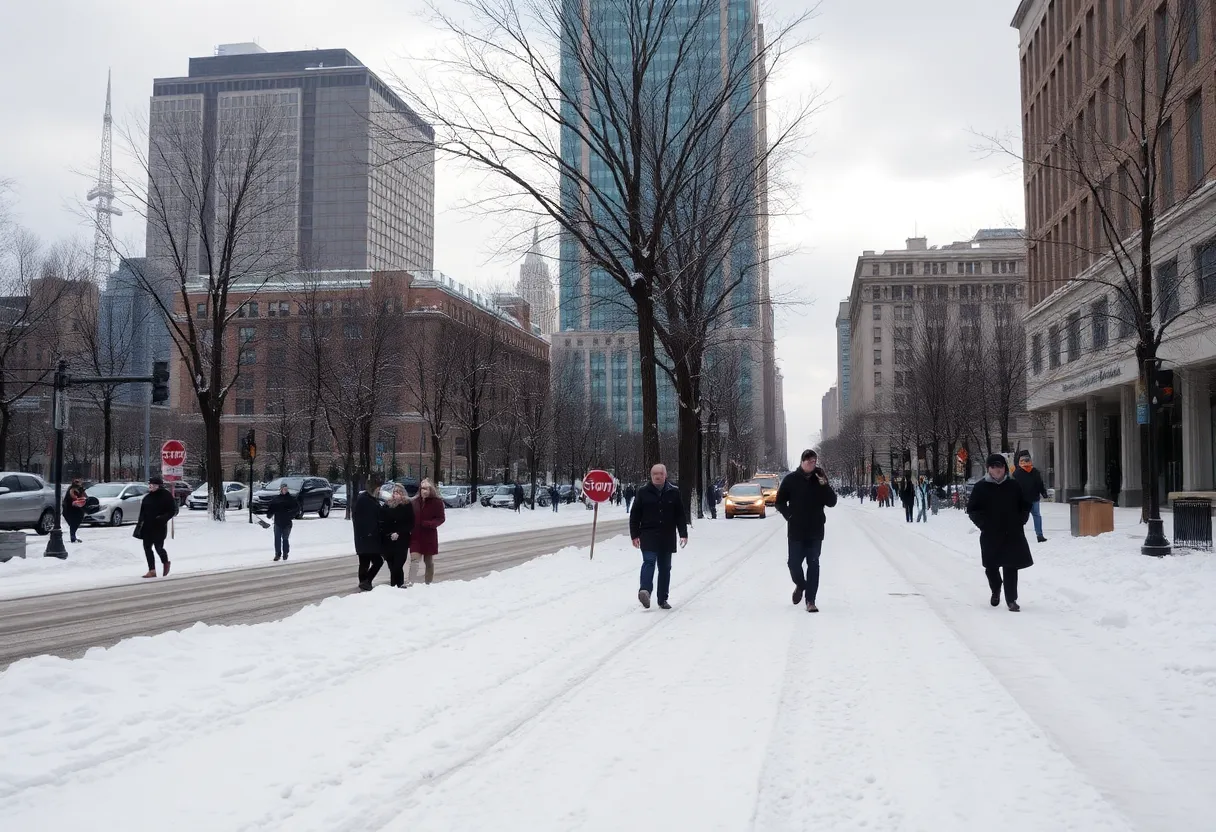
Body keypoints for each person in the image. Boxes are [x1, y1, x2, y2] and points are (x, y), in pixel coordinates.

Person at [967, 454, 1033, 612]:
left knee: (1011, 566)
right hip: (990, 533)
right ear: (988, 469)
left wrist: (1021, 519)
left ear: (1005, 468)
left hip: (1012, 532)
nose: (997, 470)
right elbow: (972, 510)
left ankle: (1011, 600)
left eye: (1000, 466)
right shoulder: (980, 487)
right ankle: (995, 589)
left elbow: (1025, 504)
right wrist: (983, 524)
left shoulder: (1013, 485)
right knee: (991, 566)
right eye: (994, 467)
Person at [775, 449, 838, 613]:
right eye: (809, 461)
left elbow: (832, 502)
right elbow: (779, 502)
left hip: (815, 530)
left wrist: (825, 484)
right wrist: (789, 515)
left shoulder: (820, 480)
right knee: (793, 563)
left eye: (814, 461)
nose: (812, 464)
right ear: (802, 462)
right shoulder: (791, 480)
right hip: (796, 530)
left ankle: (811, 600)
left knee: (813, 564)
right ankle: (801, 585)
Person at [629, 464, 688, 610]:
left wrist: (683, 533)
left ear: (665, 475)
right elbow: (635, 515)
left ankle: (662, 598)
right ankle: (645, 591)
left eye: (660, 473)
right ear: (651, 476)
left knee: (665, 567)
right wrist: (634, 535)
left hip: (667, 536)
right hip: (648, 534)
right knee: (649, 561)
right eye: (654, 474)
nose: (657, 476)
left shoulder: (673, 493)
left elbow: (680, 515)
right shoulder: (643, 492)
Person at [136, 475, 178, 579]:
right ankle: (152, 570)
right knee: (147, 548)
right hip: (147, 527)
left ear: (159, 486)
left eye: (153, 485)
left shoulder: (166, 496)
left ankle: (165, 562)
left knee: (158, 547)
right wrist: (139, 525)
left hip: (159, 527)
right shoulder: (147, 497)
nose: (151, 486)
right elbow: (142, 513)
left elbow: (172, 511)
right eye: (150, 484)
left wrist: (163, 518)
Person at [410, 478, 446, 585]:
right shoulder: (415, 502)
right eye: (422, 489)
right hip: (416, 536)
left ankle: (428, 583)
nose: (424, 491)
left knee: (428, 562)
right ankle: (410, 583)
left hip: (429, 536)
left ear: (431, 490)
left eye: (426, 489)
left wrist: (430, 524)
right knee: (414, 560)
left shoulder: (437, 502)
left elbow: (441, 518)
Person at [353, 475, 386, 591]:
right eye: (378, 488)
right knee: (377, 561)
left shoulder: (365, 499)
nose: (379, 490)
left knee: (364, 562)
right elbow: (369, 519)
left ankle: (364, 582)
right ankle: (366, 581)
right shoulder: (366, 500)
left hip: (363, 537)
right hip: (368, 538)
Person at [382, 483, 415, 588]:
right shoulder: (387, 504)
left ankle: (399, 585)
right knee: (392, 566)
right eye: (394, 492)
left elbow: (410, 523)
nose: (396, 494)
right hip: (388, 540)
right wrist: (389, 533)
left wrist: (399, 532)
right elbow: (383, 521)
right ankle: (395, 587)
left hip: (402, 539)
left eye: (398, 492)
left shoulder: (407, 505)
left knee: (398, 565)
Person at [1012, 451, 1050, 543]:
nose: (1025, 462)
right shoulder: (1023, 472)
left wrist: (1043, 492)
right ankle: (1037, 535)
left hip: (1028, 499)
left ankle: (1036, 535)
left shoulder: (1018, 473)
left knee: (1026, 517)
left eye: (1026, 459)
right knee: (1032, 517)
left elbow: (1039, 483)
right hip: (1028, 499)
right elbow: (1039, 484)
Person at [266, 482, 299, 562]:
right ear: (280, 490)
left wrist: (291, 515)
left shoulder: (291, 499)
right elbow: (271, 508)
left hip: (287, 522)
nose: (284, 490)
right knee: (277, 538)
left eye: (286, 489)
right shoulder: (276, 499)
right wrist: (269, 514)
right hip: (278, 522)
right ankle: (277, 554)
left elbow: (297, 509)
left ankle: (285, 553)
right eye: (283, 489)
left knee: (285, 538)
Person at [62, 478, 87, 544]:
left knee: (75, 523)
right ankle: (73, 536)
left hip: (78, 509)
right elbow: (70, 499)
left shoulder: (80, 489)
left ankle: (73, 536)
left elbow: (85, 497)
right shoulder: (71, 490)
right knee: (73, 523)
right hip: (70, 509)